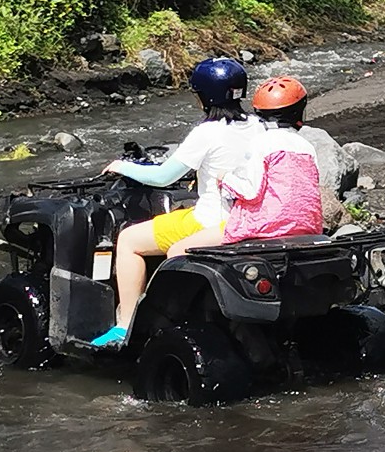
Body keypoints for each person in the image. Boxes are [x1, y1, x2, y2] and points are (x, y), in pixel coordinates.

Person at [89, 57, 261, 349]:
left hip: (210, 221)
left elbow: (163, 177)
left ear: (204, 96)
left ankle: (124, 325)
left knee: (129, 239)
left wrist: (122, 166)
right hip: (248, 218)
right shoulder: (259, 125)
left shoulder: (208, 132)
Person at [221, 76, 324, 241]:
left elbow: (251, 192)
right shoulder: (307, 147)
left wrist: (224, 178)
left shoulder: (261, 142)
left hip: (266, 228)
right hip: (309, 227)